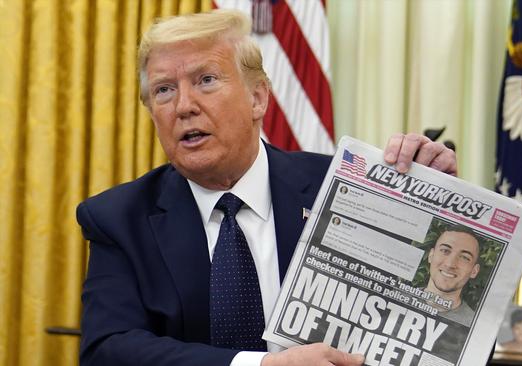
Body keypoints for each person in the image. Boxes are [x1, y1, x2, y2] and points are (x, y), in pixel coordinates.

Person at [77, 9, 458, 366]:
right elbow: (107, 349)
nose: (183, 106)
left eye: (206, 80)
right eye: (163, 90)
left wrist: (441, 216)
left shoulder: (345, 190)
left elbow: (448, 337)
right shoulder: (119, 218)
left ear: (258, 98)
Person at [423, 226, 481, 327]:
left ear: (474, 271)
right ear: (431, 256)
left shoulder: (473, 325)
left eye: (464, 257)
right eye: (445, 250)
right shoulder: (397, 295)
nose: (450, 264)